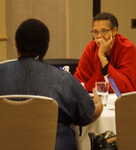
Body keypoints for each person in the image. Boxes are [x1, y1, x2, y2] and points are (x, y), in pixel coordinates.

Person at [0, 19, 103, 150]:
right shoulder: (63, 80)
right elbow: (88, 115)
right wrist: (98, 105)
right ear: (47, 47)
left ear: (16, 45)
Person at [74, 12, 136, 93]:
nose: (99, 36)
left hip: (125, 101)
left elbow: (123, 87)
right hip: (97, 100)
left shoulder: (127, 48)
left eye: (104, 31)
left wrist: (102, 56)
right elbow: (77, 82)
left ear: (114, 31)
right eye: (95, 32)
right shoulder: (91, 48)